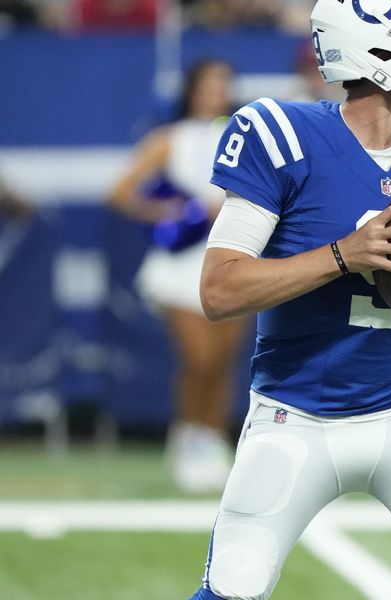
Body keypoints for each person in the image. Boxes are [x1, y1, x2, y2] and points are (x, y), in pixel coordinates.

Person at [188, 1, 391, 599]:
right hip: (294, 418)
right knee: (232, 588)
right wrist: (344, 254)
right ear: (380, 51)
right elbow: (218, 290)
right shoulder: (283, 135)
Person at [110, 59, 249, 494]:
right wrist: (171, 212)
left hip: (232, 258)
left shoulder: (242, 137)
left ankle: (210, 438)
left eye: (223, 84)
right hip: (180, 264)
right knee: (199, 358)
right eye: (208, 84)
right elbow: (120, 191)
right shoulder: (170, 138)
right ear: (191, 90)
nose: (216, 92)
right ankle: (189, 436)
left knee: (224, 360)